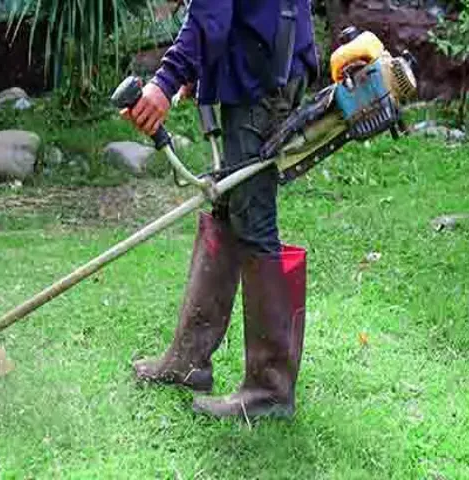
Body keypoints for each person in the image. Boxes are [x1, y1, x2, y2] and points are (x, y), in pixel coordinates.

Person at [121, 0, 319, 420]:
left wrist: (166, 81)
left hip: (263, 78)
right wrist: (208, 69)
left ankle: (270, 390)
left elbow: (212, 12)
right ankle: (188, 360)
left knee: (254, 218)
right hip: (266, 62)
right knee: (229, 207)